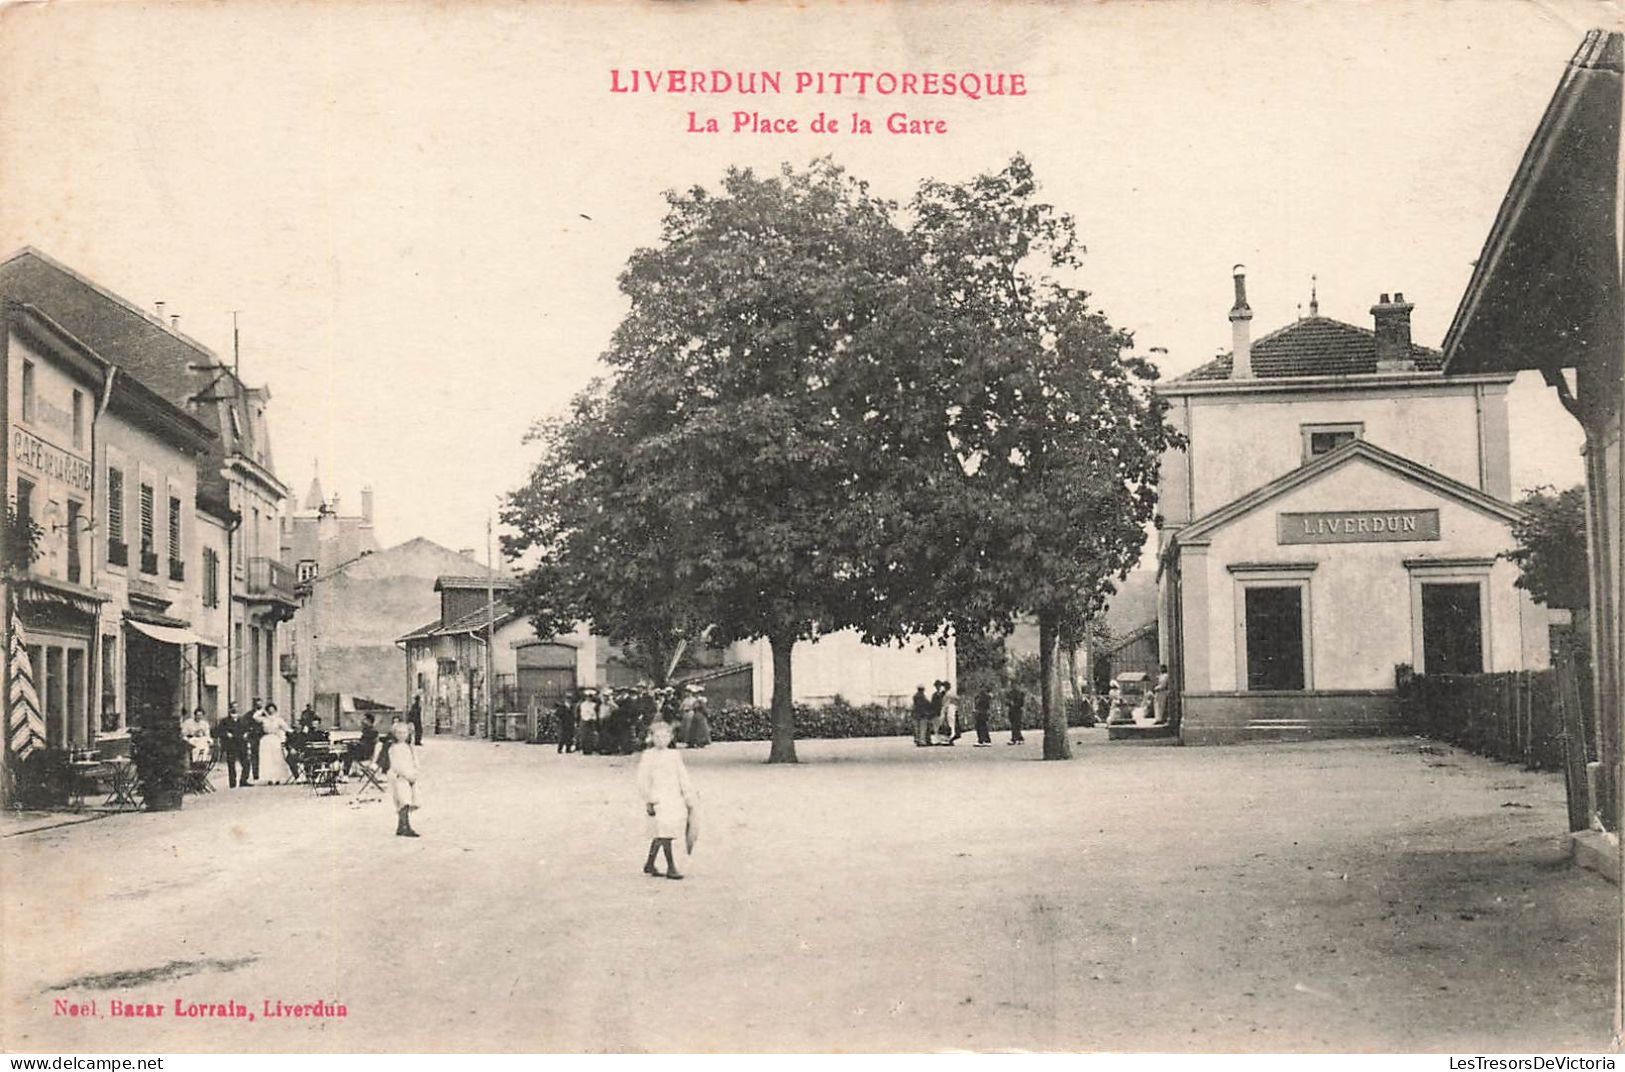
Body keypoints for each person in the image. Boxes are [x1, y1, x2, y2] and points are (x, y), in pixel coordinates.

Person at [636, 720, 696, 880]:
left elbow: (682, 776)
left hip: (673, 796)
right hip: (657, 797)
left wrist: (688, 796)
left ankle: (650, 863)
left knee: (663, 830)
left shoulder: (674, 755)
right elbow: (642, 779)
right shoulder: (648, 756)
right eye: (657, 736)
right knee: (665, 831)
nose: (661, 740)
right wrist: (648, 799)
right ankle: (671, 867)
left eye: (665, 736)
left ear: (670, 737)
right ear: (651, 737)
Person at [387, 721, 421, 837]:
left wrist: (415, 773)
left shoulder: (408, 747)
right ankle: (405, 826)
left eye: (404, 733)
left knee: (408, 801)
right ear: (395, 734)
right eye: (399, 733)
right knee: (403, 801)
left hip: (410, 776)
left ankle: (401, 826)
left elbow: (414, 761)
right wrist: (406, 775)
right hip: (399, 777)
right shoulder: (394, 748)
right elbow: (396, 765)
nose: (402, 735)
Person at [256, 703, 293, 784]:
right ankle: (269, 778)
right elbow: (255, 717)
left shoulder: (278, 720)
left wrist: (293, 732)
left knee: (277, 759)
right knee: (267, 759)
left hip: (275, 739)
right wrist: (262, 711)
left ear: (275, 710)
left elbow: (286, 728)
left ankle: (277, 778)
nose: (271, 712)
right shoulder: (264, 719)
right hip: (266, 740)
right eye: (269, 710)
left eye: (272, 710)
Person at [216, 704, 247, 787]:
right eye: (233, 707)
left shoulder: (242, 719)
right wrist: (226, 734)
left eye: (237, 707)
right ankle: (232, 782)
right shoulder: (224, 721)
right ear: (229, 709)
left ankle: (243, 780)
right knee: (231, 763)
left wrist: (246, 734)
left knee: (246, 763)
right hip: (231, 744)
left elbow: (247, 729)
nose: (235, 708)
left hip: (241, 743)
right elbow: (219, 731)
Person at [346, 711, 380, 775]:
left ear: (369, 721)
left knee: (347, 754)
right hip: (364, 752)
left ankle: (346, 774)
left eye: (364, 719)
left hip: (365, 755)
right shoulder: (367, 730)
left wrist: (355, 744)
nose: (362, 721)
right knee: (348, 751)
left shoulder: (372, 731)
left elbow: (366, 745)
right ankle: (353, 770)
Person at [241, 698, 264, 784]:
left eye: (260, 704)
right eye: (257, 704)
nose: (259, 705)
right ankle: (255, 774)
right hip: (254, 737)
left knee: (261, 755)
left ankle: (260, 773)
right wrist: (250, 730)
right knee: (254, 755)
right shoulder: (249, 714)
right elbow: (245, 723)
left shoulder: (264, 713)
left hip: (262, 737)